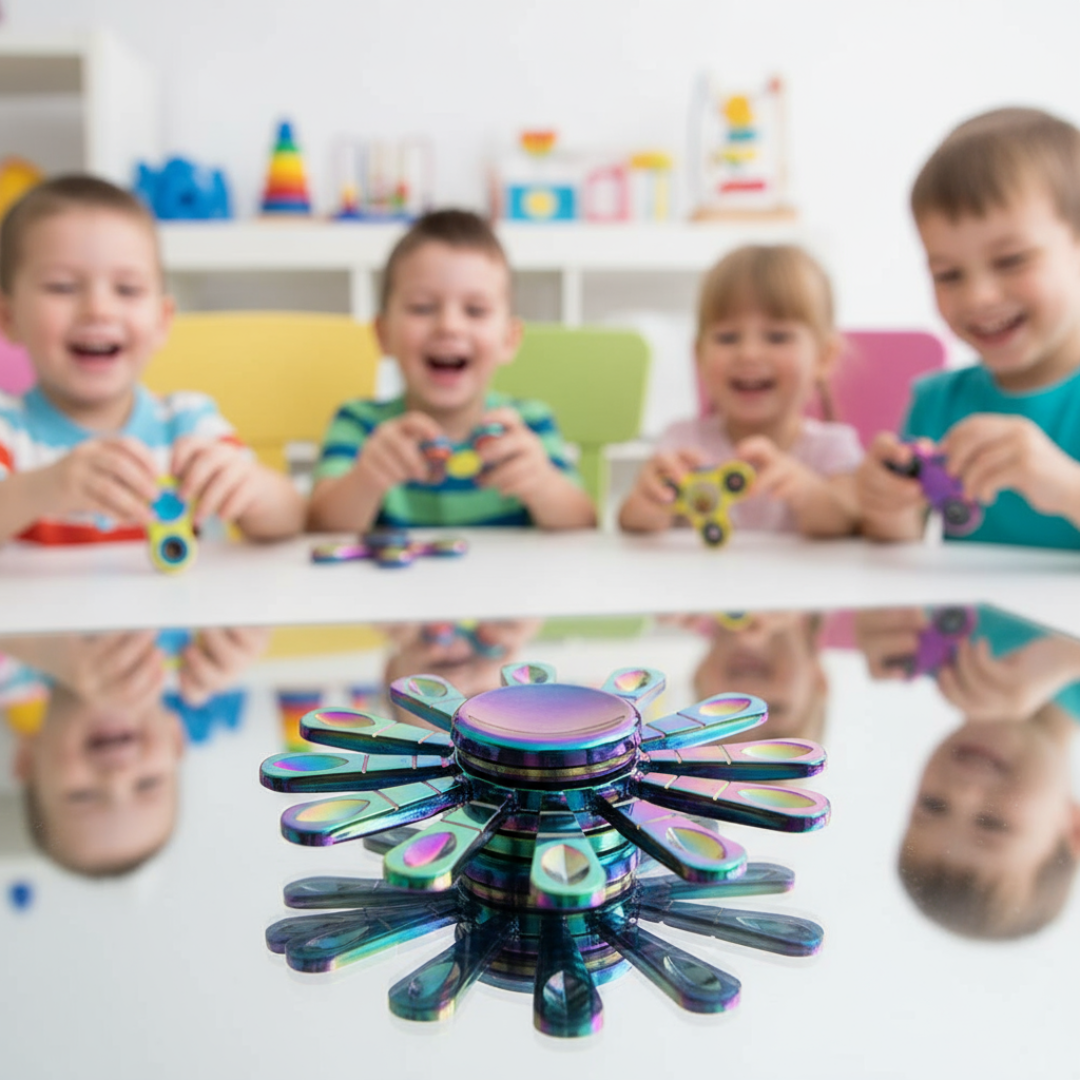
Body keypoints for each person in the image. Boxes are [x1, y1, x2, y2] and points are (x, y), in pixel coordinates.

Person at [0, 174, 303, 546]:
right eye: (62, 286)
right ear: (8, 318)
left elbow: (291, 517)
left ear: (162, 320)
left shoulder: (187, 422)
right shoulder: (8, 431)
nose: (98, 309)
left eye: (127, 289)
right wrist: (44, 488)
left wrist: (253, 489)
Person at [858, 107, 1080, 548]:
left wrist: (1066, 487)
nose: (979, 297)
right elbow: (900, 551)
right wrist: (886, 508)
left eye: (1011, 260)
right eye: (948, 275)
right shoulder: (937, 404)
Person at [307, 209, 595, 531]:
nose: (449, 326)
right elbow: (318, 528)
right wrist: (365, 479)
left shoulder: (529, 426)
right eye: (422, 308)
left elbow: (583, 525)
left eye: (475, 310)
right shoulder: (358, 424)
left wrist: (543, 483)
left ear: (509, 340)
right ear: (383, 334)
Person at [618, 244, 862, 538]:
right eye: (727, 337)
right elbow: (632, 526)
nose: (748, 353)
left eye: (777, 336)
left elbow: (852, 523)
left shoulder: (832, 449)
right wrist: (649, 504)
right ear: (699, 356)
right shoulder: (681, 442)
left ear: (824, 356)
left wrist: (811, 495)